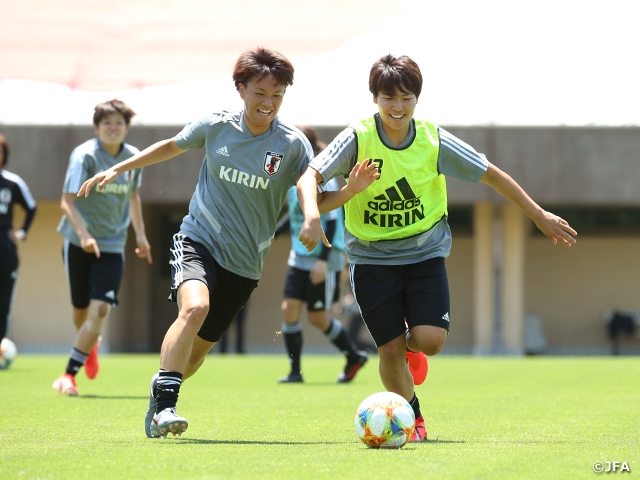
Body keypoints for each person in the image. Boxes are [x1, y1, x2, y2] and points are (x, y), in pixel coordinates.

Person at [296, 54, 578, 443]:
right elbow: (309, 177)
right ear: (375, 98)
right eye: (388, 98)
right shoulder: (357, 137)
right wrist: (312, 214)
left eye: (406, 98)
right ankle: (413, 418)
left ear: (417, 99)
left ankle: (413, 348)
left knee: (430, 341)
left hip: (424, 254)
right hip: (371, 259)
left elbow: (491, 174)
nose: (397, 107)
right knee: (389, 350)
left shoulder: (432, 139)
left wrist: (538, 214)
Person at [77, 47, 315, 439]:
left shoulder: (291, 144)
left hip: (245, 265)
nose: (268, 102)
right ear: (240, 89)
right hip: (198, 239)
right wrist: (119, 167)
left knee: (197, 355)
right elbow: (173, 145)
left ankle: (162, 388)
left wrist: (332, 202)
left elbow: (314, 189)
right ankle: (165, 408)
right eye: (260, 92)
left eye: (277, 95)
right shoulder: (216, 125)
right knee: (195, 308)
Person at [52, 99, 153, 396]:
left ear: (127, 128)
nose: (113, 128)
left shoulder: (134, 158)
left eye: (119, 123)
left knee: (100, 309)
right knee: (81, 311)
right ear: (96, 128)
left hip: (112, 246)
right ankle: (89, 347)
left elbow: (134, 197)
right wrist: (83, 235)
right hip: (77, 242)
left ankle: (68, 375)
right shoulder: (84, 156)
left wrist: (141, 236)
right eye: (106, 123)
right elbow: (66, 201)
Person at [276, 127, 368, 384]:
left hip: (322, 259)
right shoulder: (295, 176)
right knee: (289, 309)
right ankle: (295, 372)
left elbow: (331, 222)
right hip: (299, 256)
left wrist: (322, 263)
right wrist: (273, 234)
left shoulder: (323, 175)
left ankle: (353, 355)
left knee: (317, 317)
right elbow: (296, 215)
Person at [0, 134, 37, 350]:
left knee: (3, 302)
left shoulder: (12, 182)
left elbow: (31, 206)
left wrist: (22, 232)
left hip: (5, 248)